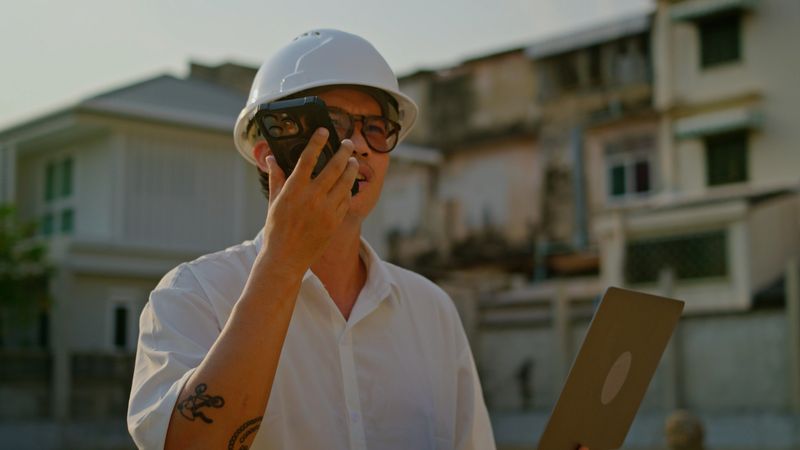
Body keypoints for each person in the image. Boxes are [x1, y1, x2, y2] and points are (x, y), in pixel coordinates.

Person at [127, 29, 497, 450]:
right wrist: (283, 263)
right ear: (268, 154)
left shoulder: (432, 311)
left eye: (376, 127)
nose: (359, 144)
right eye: (333, 123)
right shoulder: (193, 296)